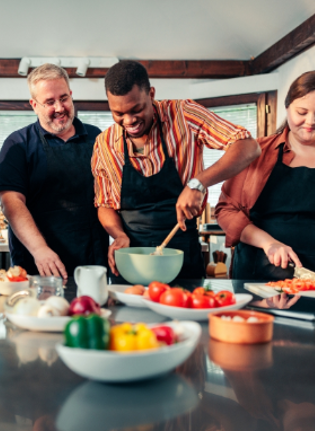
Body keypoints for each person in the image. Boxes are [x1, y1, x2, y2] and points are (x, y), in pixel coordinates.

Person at [92, 60, 260, 280]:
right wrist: (118, 235)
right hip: (131, 259)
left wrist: (198, 182)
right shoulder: (104, 144)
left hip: (182, 256)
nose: (129, 121)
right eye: (119, 114)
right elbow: (105, 204)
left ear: (151, 94)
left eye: (137, 109)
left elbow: (248, 146)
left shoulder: (184, 114)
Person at [216, 71, 315, 283]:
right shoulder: (255, 153)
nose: (310, 122)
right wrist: (269, 243)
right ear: (287, 107)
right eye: (301, 112)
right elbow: (226, 210)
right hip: (259, 278)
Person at [0, 63, 109, 280]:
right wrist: (40, 250)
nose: (59, 107)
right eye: (49, 102)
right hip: (38, 264)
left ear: (71, 96)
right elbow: (11, 203)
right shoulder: (18, 144)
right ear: (34, 105)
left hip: (92, 262)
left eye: (64, 98)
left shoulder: (97, 138)